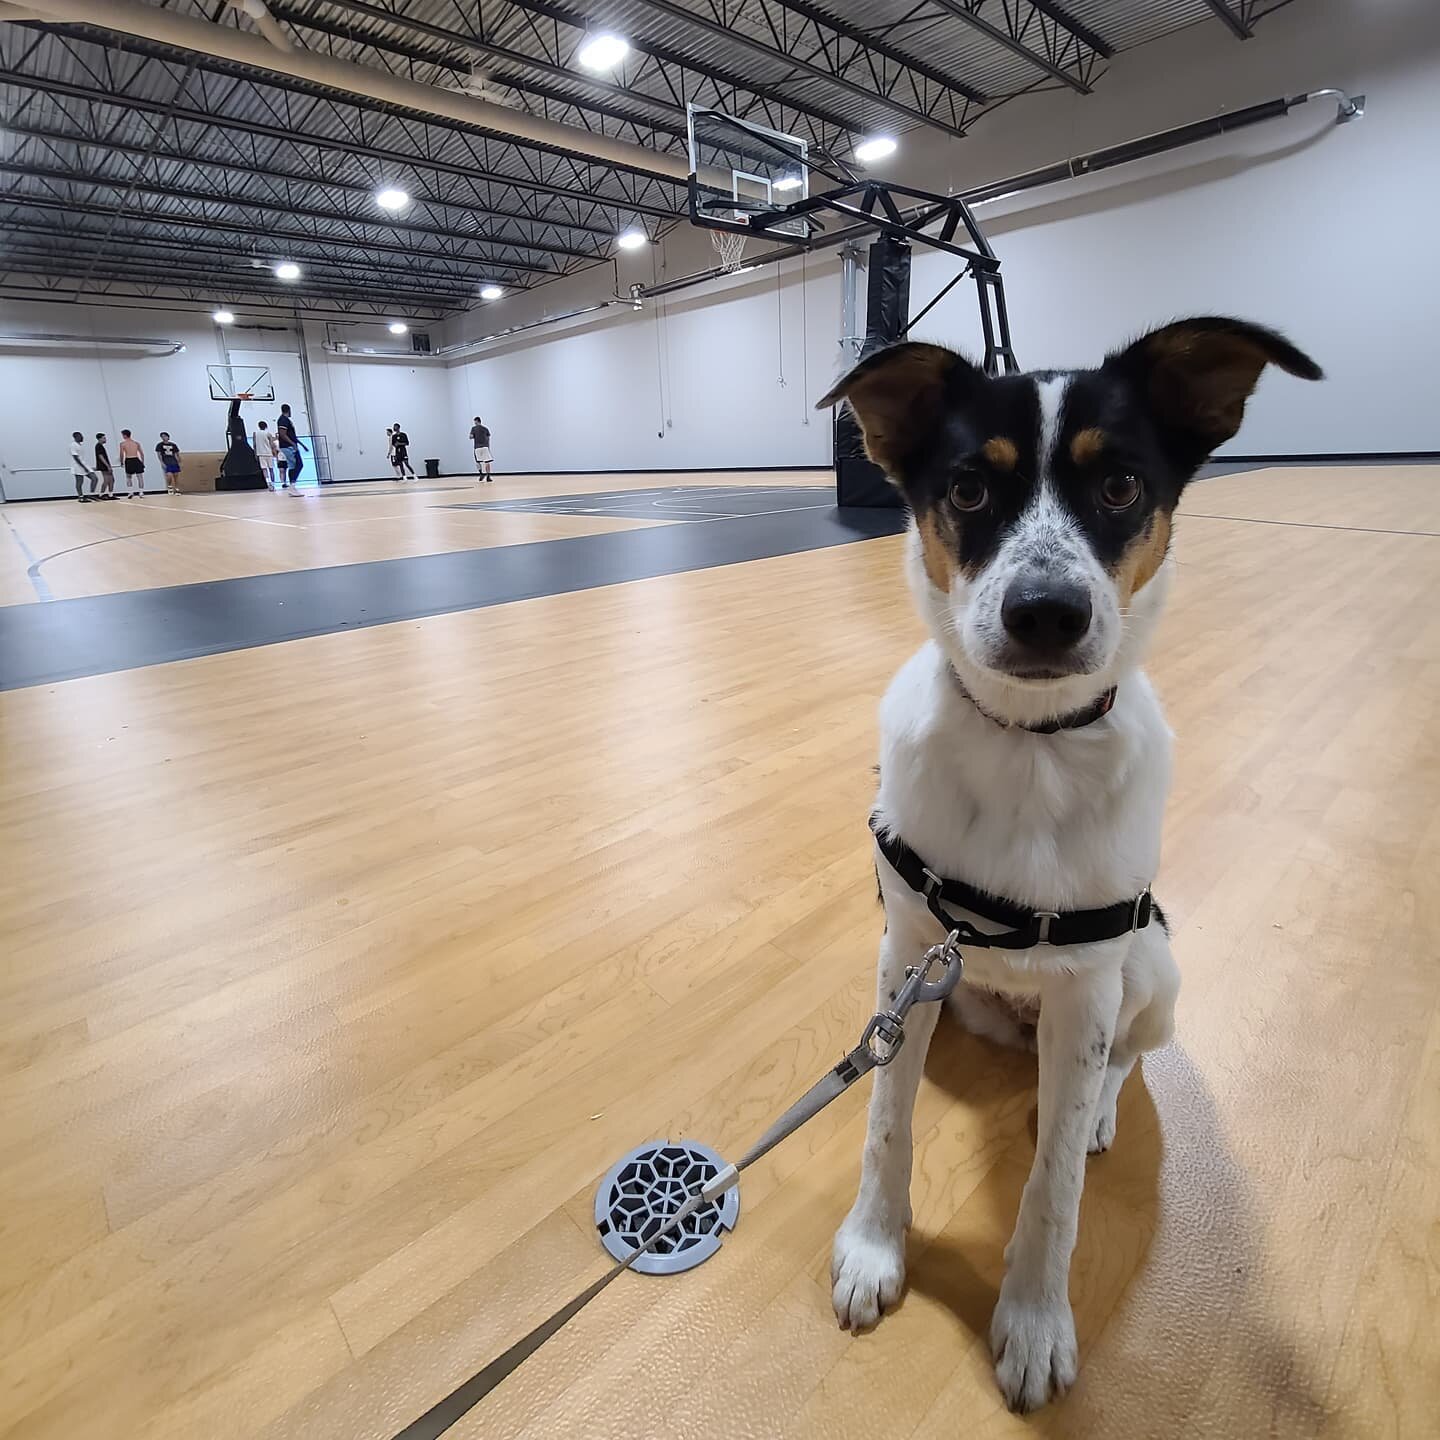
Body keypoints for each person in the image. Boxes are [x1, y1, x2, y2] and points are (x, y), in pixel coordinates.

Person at [276, 403, 308, 488]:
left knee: (296, 465)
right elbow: (282, 434)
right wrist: (292, 443)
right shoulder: (283, 420)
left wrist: (302, 444)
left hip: (291, 445)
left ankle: (292, 485)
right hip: (287, 446)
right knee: (296, 465)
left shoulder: (286, 420)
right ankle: (292, 486)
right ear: (289, 410)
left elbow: (292, 435)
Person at [69, 430, 98, 502]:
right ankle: (81, 497)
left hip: (84, 464)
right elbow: (76, 457)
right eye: (80, 436)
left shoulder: (80, 445)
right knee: (79, 482)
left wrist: (86, 467)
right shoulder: (73, 445)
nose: (82, 437)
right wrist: (84, 467)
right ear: (76, 437)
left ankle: (91, 494)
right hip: (77, 466)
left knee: (94, 478)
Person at [117, 429, 146, 498]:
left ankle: (130, 492)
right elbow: (142, 453)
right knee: (140, 477)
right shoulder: (136, 443)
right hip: (136, 459)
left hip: (129, 460)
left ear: (124, 435)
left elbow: (121, 454)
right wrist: (142, 462)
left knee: (128, 477)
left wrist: (121, 462)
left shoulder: (122, 444)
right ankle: (141, 492)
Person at [254, 420, 279, 489]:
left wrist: (255, 454)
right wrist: (275, 454)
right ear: (266, 426)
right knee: (271, 469)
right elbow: (272, 445)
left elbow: (254, 445)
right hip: (269, 453)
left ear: (259, 426)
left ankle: (268, 483)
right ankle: (273, 484)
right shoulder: (268, 433)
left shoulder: (255, 434)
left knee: (264, 470)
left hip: (260, 454)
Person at [94, 432, 116, 499]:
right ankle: (101, 494)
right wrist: (107, 466)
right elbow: (101, 456)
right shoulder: (98, 446)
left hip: (105, 465)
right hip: (103, 465)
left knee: (112, 480)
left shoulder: (101, 446)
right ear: (99, 439)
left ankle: (110, 494)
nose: (105, 439)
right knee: (106, 480)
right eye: (104, 438)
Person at [470, 416, 492, 480]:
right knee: (487, 461)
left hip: (477, 447)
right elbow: (488, 438)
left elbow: (471, 437)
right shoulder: (485, 428)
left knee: (477, 461)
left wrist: (475, 436)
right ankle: (488, 476)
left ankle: (481, 474)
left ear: (476, 421)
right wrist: (488, 446)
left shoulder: (473, 428)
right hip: (485, 447)